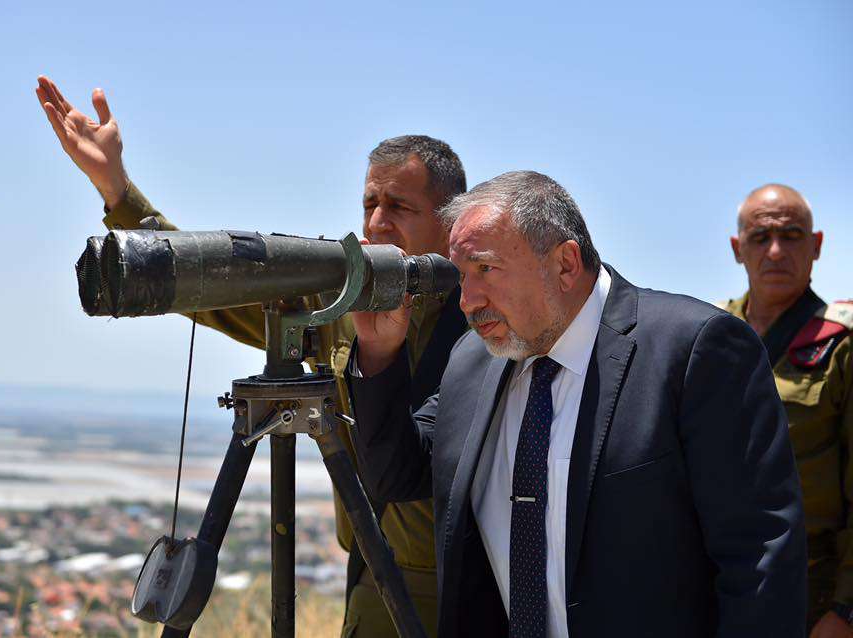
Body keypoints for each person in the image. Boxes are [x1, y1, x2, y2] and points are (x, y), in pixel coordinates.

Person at [35, 75, 467, 637]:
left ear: (449, 220)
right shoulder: (342, 303)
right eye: (370, 204)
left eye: (399, 207)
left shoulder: (484, 315)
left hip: (460, 587)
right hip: (371, 579)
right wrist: (117, 189)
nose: (377, 222)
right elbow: (221, 293)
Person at [346, 171, 808, 637]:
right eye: (462, 276)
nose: (467, 301)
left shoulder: (693, 350)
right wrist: (379, 352)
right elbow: (395, 474)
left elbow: (759, 558)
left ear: (565, 264)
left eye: (485, 269)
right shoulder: (473, 359)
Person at [720, 183, 853, 637]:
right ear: (738, 249)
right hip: (717, 583)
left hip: (814, 591)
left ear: (816, 245)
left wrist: (846, 609)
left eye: (791, 236)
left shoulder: (841, 344)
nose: (775, 251)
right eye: (760, 238)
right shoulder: (707, 334)